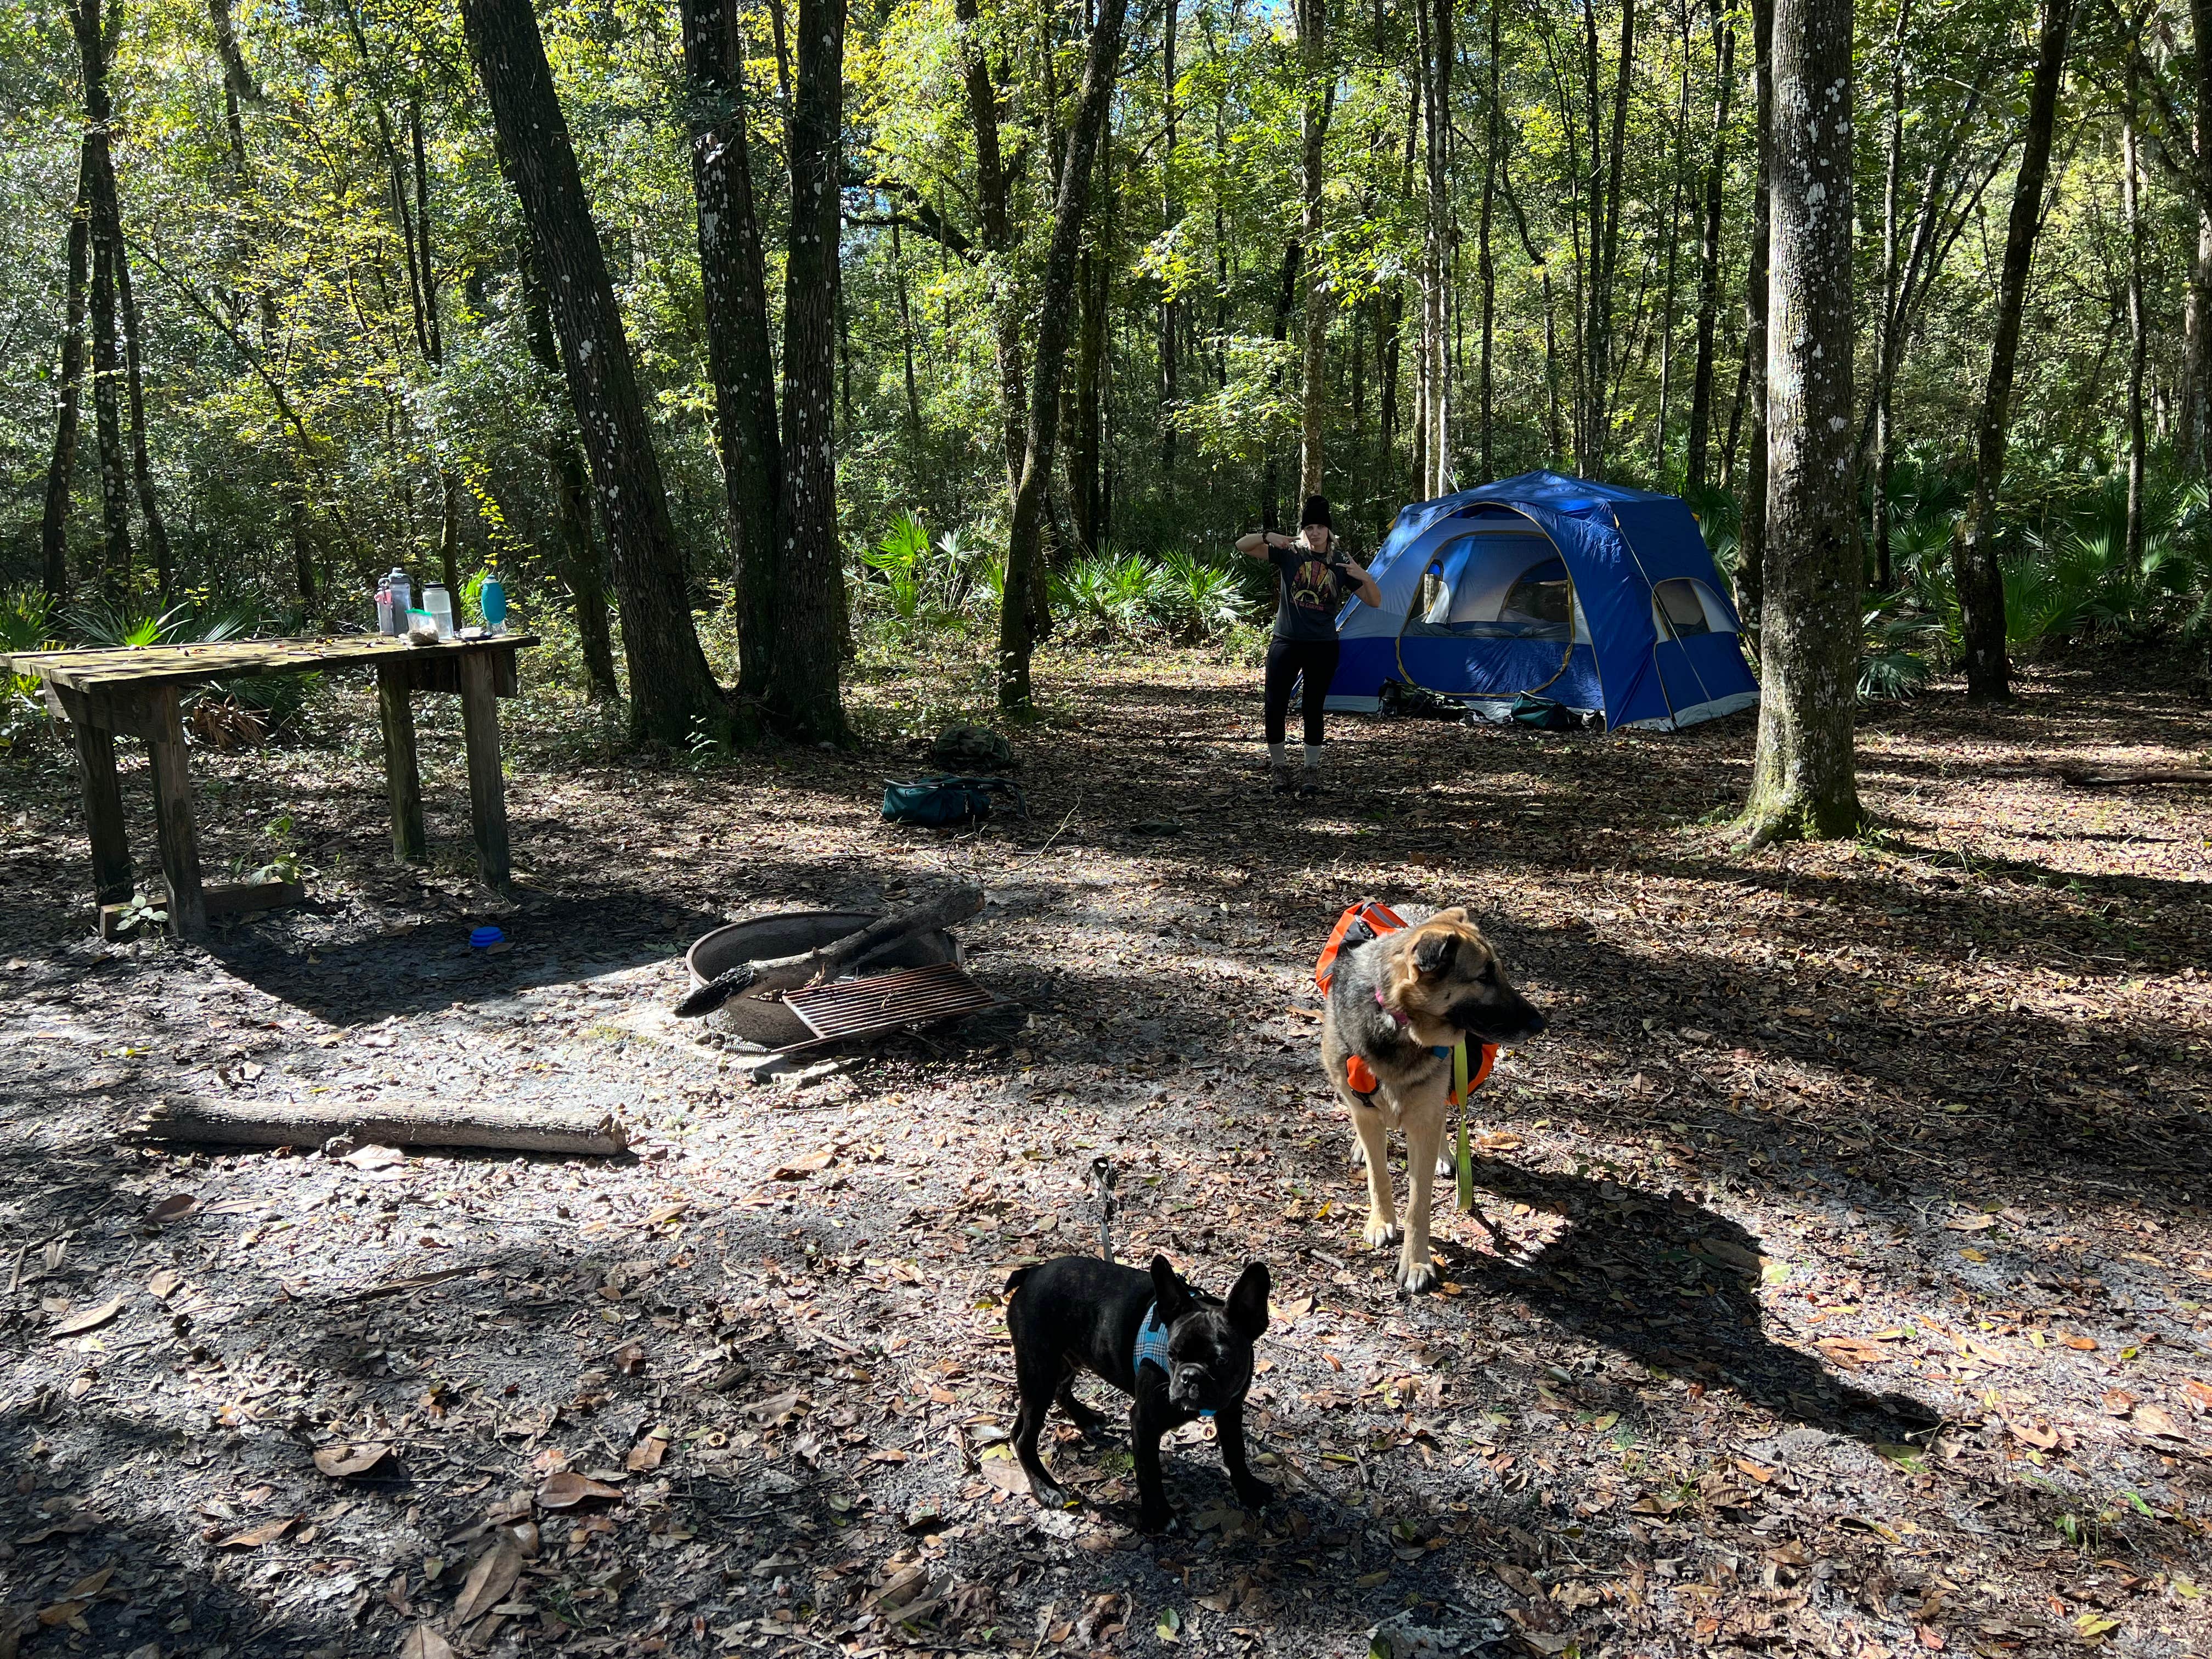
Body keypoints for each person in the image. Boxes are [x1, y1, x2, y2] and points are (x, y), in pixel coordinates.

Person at [1235, 495, 1381, 795]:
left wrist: (1365, 576)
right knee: (1275, 705)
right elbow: (1242, 545)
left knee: (1313, 709)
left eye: (1320, 527)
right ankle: (1279, 768)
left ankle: (1310, 770)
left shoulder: (1340, 561)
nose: (1315, 533)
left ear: (1329, 530)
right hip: (1286, 642)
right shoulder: (1290, 554)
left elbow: (1375, 601)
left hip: (1323, 646)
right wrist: (1268, 536)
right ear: (1304, 530)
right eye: (1309, 527)